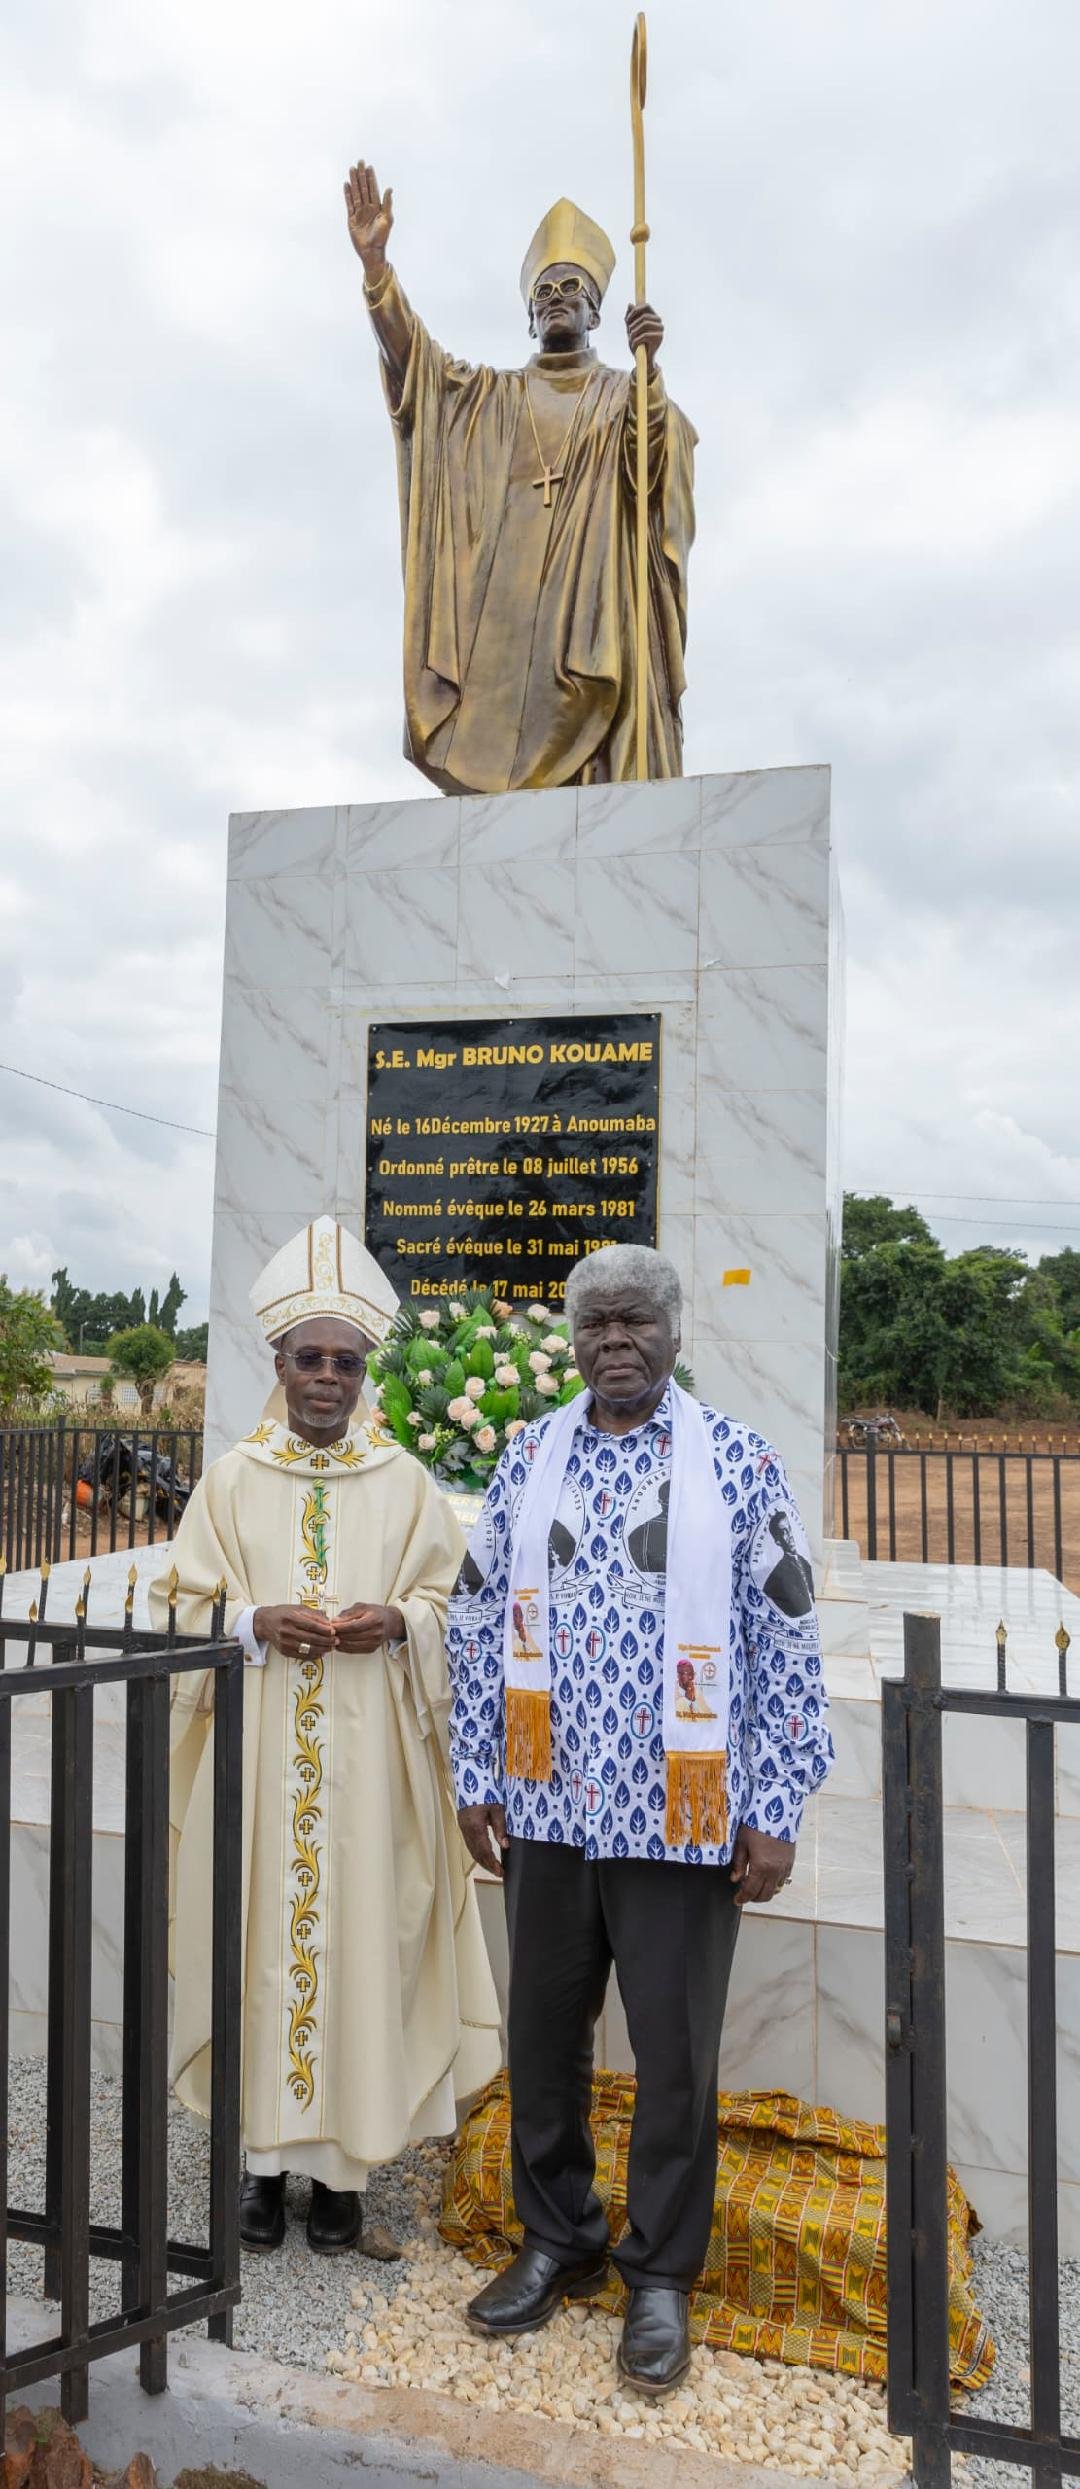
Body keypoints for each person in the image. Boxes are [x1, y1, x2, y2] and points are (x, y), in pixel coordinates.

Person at [446, 1244, 833, 2396]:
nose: (615, 1340)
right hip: (551, 1803)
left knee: (674, 2054)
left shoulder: (736, 1461)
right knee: (543, 2039)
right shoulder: (530, 1455)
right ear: (573, 1340)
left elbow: (787, 1634)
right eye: (595, 1323)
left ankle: (659, 2271)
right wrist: (479, 1770)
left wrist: (773, 1805)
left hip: (683, 1808)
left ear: (673, 1332)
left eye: (636, 1321)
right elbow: (474, 1615)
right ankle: (557, 2235)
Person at [153, 1216, 500, 2257]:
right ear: (280, 1365)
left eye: (346, 1361)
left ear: (363, 1372)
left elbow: (453, 1597)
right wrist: (252, 1624)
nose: (327, 1377)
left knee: (364, 1947)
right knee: (259, 1944)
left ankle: (344, 2175)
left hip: (373, 1768)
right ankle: (262, 2170)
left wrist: (402, 1621)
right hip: (257, 1761)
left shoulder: (404, 1485)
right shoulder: (231, 1482)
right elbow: (178, 1603)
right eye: (310, 1358)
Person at [344, 162, 697, 791]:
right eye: (545, 292)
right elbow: (417, 369)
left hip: (591, 620)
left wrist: (651, 371)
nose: (557, 298)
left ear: (595, 309)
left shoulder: (622, 394)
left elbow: (652, 468)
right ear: (530, 318)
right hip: (506, 637)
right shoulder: (491, 398)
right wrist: (378, 274)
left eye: (570, 288)